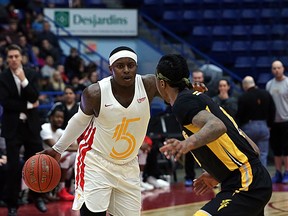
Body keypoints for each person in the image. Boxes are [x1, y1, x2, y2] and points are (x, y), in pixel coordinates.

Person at [40, 46, 206, 216]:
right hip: (96, 162)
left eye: (131, 65)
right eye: (120, 66)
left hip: (128, 165)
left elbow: (173, 93)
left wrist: (190, 91)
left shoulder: (148, 84)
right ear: (110, 68)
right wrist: (58, 149)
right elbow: (78, 121)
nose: (126, 70)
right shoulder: (94, 93)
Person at [156, 54, 272, 215]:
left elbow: (217, 126)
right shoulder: (201, 99)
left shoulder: (182, 103)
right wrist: (218, 173)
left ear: (161, 83)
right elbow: (254, 149)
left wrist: (185, 144)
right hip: (252, 179)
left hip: (246, 183)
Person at [0, 44, 47, 215]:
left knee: (35, 165)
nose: (13, 59)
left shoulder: (32, 74)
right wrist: (28, 105)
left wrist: (24, 80)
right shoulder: (3, 77)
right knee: (13, 167)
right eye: (10, 57)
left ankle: (39, 197)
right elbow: (5, 102)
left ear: (21, 58)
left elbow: (35, 95)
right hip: (13, 128)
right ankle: (12, 203)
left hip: (31, 127)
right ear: (7, 59)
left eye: (16, 56)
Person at [40, 106, 78, 201]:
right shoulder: (45, 128)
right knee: (66, 156)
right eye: (57, 117)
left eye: (61, 118)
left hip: (57, 161)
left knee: (77, 156)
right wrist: (70, 148)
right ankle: (61, 189)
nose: (60, 119)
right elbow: (55, 147)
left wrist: (71, 149)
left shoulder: (60, 131)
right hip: (43, 159)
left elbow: (77, 146)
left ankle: (72, 188)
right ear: (51, 117)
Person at [237, 76, 275, 168]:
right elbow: (272, 110)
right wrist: (269, 125)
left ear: (245, 85)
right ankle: (263, 178)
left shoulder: (243, 97)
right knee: (263, 154)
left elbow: (240, 115)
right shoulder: (266, 94)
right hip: (263, 126)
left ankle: (252, 178)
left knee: (250, 155)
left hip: (249, 127)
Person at [266, 60, 288, 184]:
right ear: (272, 70)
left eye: (278, 68)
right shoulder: (269, 84)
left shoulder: (287, 83)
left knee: (287, 149)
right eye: (274, 68)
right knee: (277, 149)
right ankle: (278, 172)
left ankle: (287, 172)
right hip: (274, 122)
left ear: (283, 68)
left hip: (286, 120)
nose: (276, 70)